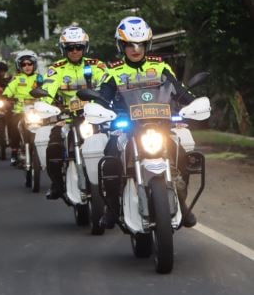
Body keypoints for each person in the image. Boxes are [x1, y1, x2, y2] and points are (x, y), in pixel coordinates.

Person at [97, 16, 197, 228]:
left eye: (140, 44)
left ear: (147, 44)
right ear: (121, 46)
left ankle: (182, 202)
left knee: (181, 157)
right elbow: (103, 97)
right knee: (110, 155)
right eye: (130, 44)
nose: (135, 49)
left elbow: (178, 90)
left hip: (159, 126)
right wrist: (99, 110)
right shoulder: (112, 70)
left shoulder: (160, 67)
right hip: (128, 128)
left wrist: (193, 104)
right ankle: (112, 208)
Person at [41, 26, 108, 200]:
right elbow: (47, 90)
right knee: (53, 147)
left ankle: (114, 182)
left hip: (95, 118)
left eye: (79, 47)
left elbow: (108, 86)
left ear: (85, 47)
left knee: (114, 144)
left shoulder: (97, 66)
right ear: (64, 49)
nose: (75, 51)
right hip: (68, 118)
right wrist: (45, 106)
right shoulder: (56, 69)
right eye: (70, 47)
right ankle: (57, 184)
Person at [2, 50, 40, 165]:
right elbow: (8, 91)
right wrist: (5, 97)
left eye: (30, 64)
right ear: (19, 66)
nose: (27, 67)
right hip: (20, 111)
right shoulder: (17, 79)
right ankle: (14, 151)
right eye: (24, 64)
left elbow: (49, 90)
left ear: (34, 65)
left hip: (39, 111)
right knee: (14, 125)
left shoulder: (40, 78)